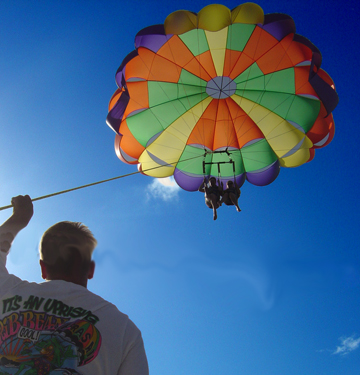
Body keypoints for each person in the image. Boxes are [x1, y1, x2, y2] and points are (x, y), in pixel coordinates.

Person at [0, 195, 149, 375]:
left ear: (43, 268)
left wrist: (20, 218)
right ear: (91, 270)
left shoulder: (7, 290)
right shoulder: (125, 331)